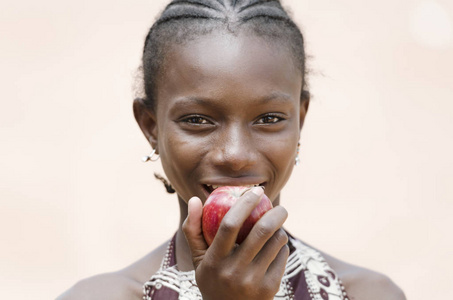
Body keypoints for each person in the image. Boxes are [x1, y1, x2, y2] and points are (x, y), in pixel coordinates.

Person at [57, 1, 406, 299]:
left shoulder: (368, 293)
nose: (235, 154)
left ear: (300, 119)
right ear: (151, 127)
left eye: (269, 118)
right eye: (197, 120)